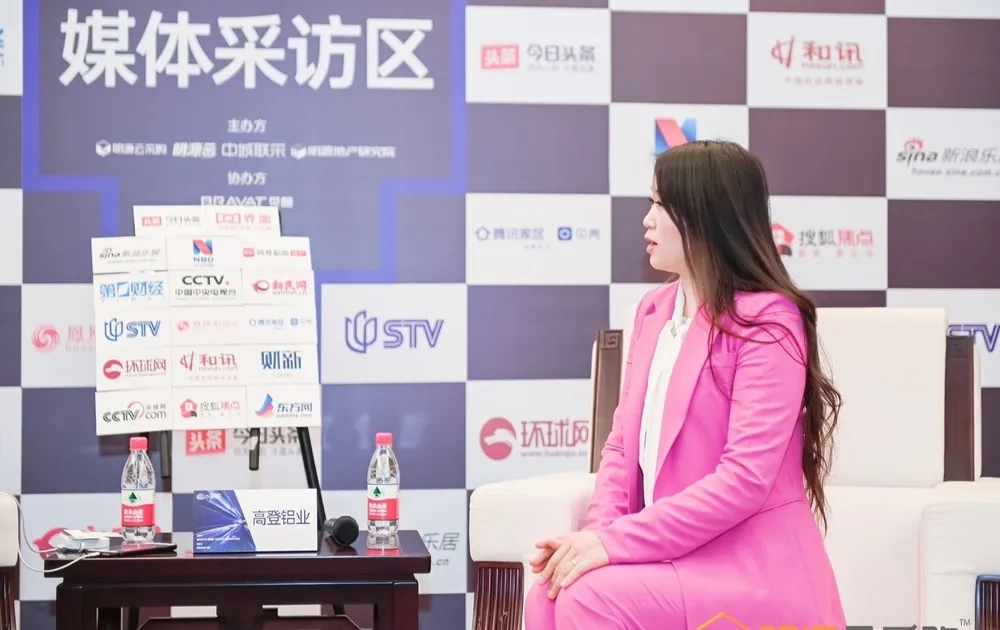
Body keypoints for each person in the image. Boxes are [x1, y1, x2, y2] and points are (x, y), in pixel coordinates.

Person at [523, 140, 846, 630]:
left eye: (659, 204)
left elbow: (744, 480)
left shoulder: (769, 321)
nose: (646, 220)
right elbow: (620, 449)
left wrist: (612, 544)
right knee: (548, 595)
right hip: (672, 560)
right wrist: (593, 540)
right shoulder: (652, 312)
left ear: (703, 216)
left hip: (749, 569)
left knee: (588, 600)